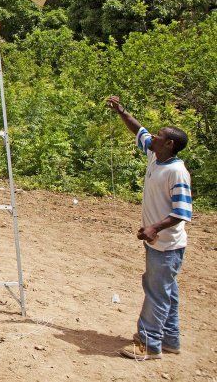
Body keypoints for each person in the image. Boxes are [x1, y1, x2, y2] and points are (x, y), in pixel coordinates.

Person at [106, 95, 192, 361]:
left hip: (167, 246)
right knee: (167, 292)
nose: (151, 137)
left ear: (169, 144)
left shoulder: (177, 172)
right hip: (160, 244)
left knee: (156, 293)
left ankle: (148, 344)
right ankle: (170, 339)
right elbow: (138, 129)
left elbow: (182, 212)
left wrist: (154, 227)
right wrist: (122, 111)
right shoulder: (156, 157)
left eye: (158, 136)